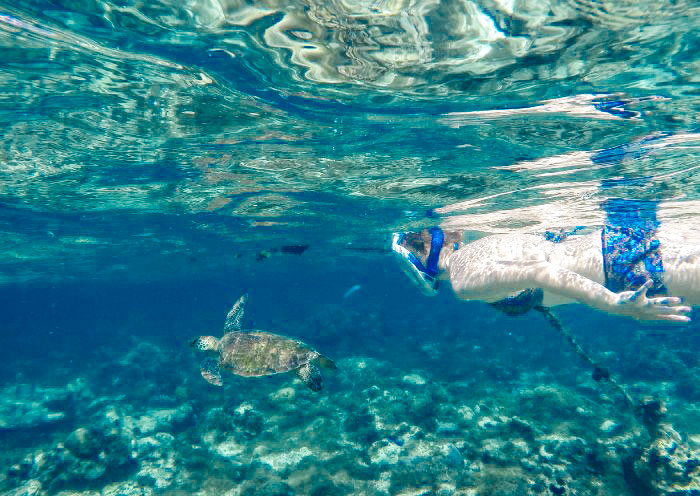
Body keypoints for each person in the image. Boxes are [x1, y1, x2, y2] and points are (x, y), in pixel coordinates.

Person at [391, 201, 695, 322]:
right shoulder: (484, 242)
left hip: (625, 271)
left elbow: (541, 272)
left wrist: (612, 304)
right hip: (621, 238)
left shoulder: (463, 281)